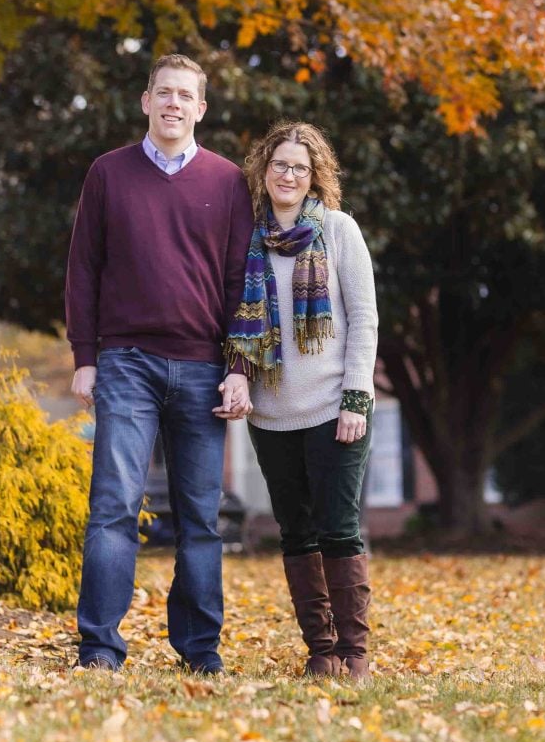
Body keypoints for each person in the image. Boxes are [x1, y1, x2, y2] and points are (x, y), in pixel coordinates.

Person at [66, 54, 253, 674]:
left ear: (201, 109)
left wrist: (239, 367)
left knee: (201, 518)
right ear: (146, 101)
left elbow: (238, 282)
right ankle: (99, 648)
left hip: (203, 368)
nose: (173, 103)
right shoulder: (107, 174)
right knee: (114, 506)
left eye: (186, 95)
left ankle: (201, 652)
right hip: (126, 364)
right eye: (163, 92)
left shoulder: (228, 183)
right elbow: (84, 270)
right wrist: (85, 358)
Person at [224, 121, 378, 679]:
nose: (289, 175)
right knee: (296, 531)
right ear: (263, 171)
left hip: (334, 408)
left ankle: (353, 653)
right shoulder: (245, 239)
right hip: (271, 415)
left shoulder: (337, 230)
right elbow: (233, 322)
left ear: (315, 177)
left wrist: (356, 399)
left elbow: (363, 319)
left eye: (300, 167)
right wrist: (236, 373)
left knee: (338, 527)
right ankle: (320, 650)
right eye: (280, 164)